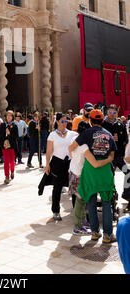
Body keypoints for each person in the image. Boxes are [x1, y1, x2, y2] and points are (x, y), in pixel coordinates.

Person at [68, 109, 117, 244]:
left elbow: (72, 146)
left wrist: (72, 157)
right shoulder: (108, 135)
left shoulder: (86, 133)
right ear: (102, 121)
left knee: (91, 201)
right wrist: (106, 160)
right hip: (105, 171)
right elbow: (112, 155)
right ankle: (108, 234)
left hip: (90, 170)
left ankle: (95, 233)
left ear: (90, 121)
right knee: (107, 203)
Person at [43, 113, 77, 221]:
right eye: (62, 121)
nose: (64, 124)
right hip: (57, 163)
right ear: (57, 122)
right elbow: (48, 152)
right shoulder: (52, 135)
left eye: (66, 121)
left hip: (70, 163)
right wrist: (47, 164)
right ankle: (56, 211)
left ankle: (76, 210)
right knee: (57, 188)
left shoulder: (72, 134)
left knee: (73, 187)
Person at [102, 104, 128, 171]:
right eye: (110, 112)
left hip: (119, 155)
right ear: (107, 112)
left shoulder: (121, 125)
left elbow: (125, 139)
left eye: (114, 112)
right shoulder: (103, 124)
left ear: (116, 113)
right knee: (111, 175)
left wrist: (124, 153)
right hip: (108, 156)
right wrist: (110, 139)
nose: (112, 114)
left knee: (128, 173)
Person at [0, 110, 18, 184]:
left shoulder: (14, 125)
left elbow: (16, 136)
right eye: (7, 115)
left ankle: (12, 171)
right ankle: (7, 176)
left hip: (12, 145)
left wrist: (9, 134)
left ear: (12, 117)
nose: (8, 117)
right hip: (5, 145)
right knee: (6, 161)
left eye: (10, 115)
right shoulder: (3, 125)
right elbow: (0, 135)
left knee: (12, 161)